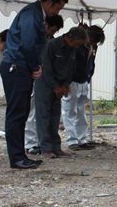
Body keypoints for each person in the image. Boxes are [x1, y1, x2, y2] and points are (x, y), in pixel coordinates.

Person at [0, 0, 68, 170]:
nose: (57, 13)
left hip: (19, 65)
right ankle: (16, 157)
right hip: (17, 65)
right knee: (17, 113)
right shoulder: (32, 14)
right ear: (50, 2)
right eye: (58, 8)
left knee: (21, 112)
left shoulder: (35, 13)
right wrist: (34, 66)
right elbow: (29, 43)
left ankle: (19, 155)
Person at [33, 26, 87, 159]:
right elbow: (46, 68)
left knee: (55, 117)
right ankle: (46, 149)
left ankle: (56, 147)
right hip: (45, 84)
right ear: (69, 37)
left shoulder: (72, 49)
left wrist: (65, 85)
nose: (77, 47)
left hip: (60, 86)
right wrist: (55, 86)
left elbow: (72, 68)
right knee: (44, 116)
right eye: (77, 43)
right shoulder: (52, 45)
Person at [61, 24, 105, 151]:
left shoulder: (92, 46)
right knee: (69, 110)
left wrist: (89, 76)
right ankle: (72, 140)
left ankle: (81, 138)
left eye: (95, 42)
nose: (92, 43)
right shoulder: (77, 45)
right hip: (72, 80)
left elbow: (92, 62)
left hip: (84, 80)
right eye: (92, 40)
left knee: (81, 111)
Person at [25, 14, 64, 155]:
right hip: (34, 76)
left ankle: (41, 141)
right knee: (33, 111)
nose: (53, 33)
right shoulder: (35, 38)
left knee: (44, 113)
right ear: (46, 25)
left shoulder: (50, 40)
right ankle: (31, 142)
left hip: (45, 77)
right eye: (53, 30)